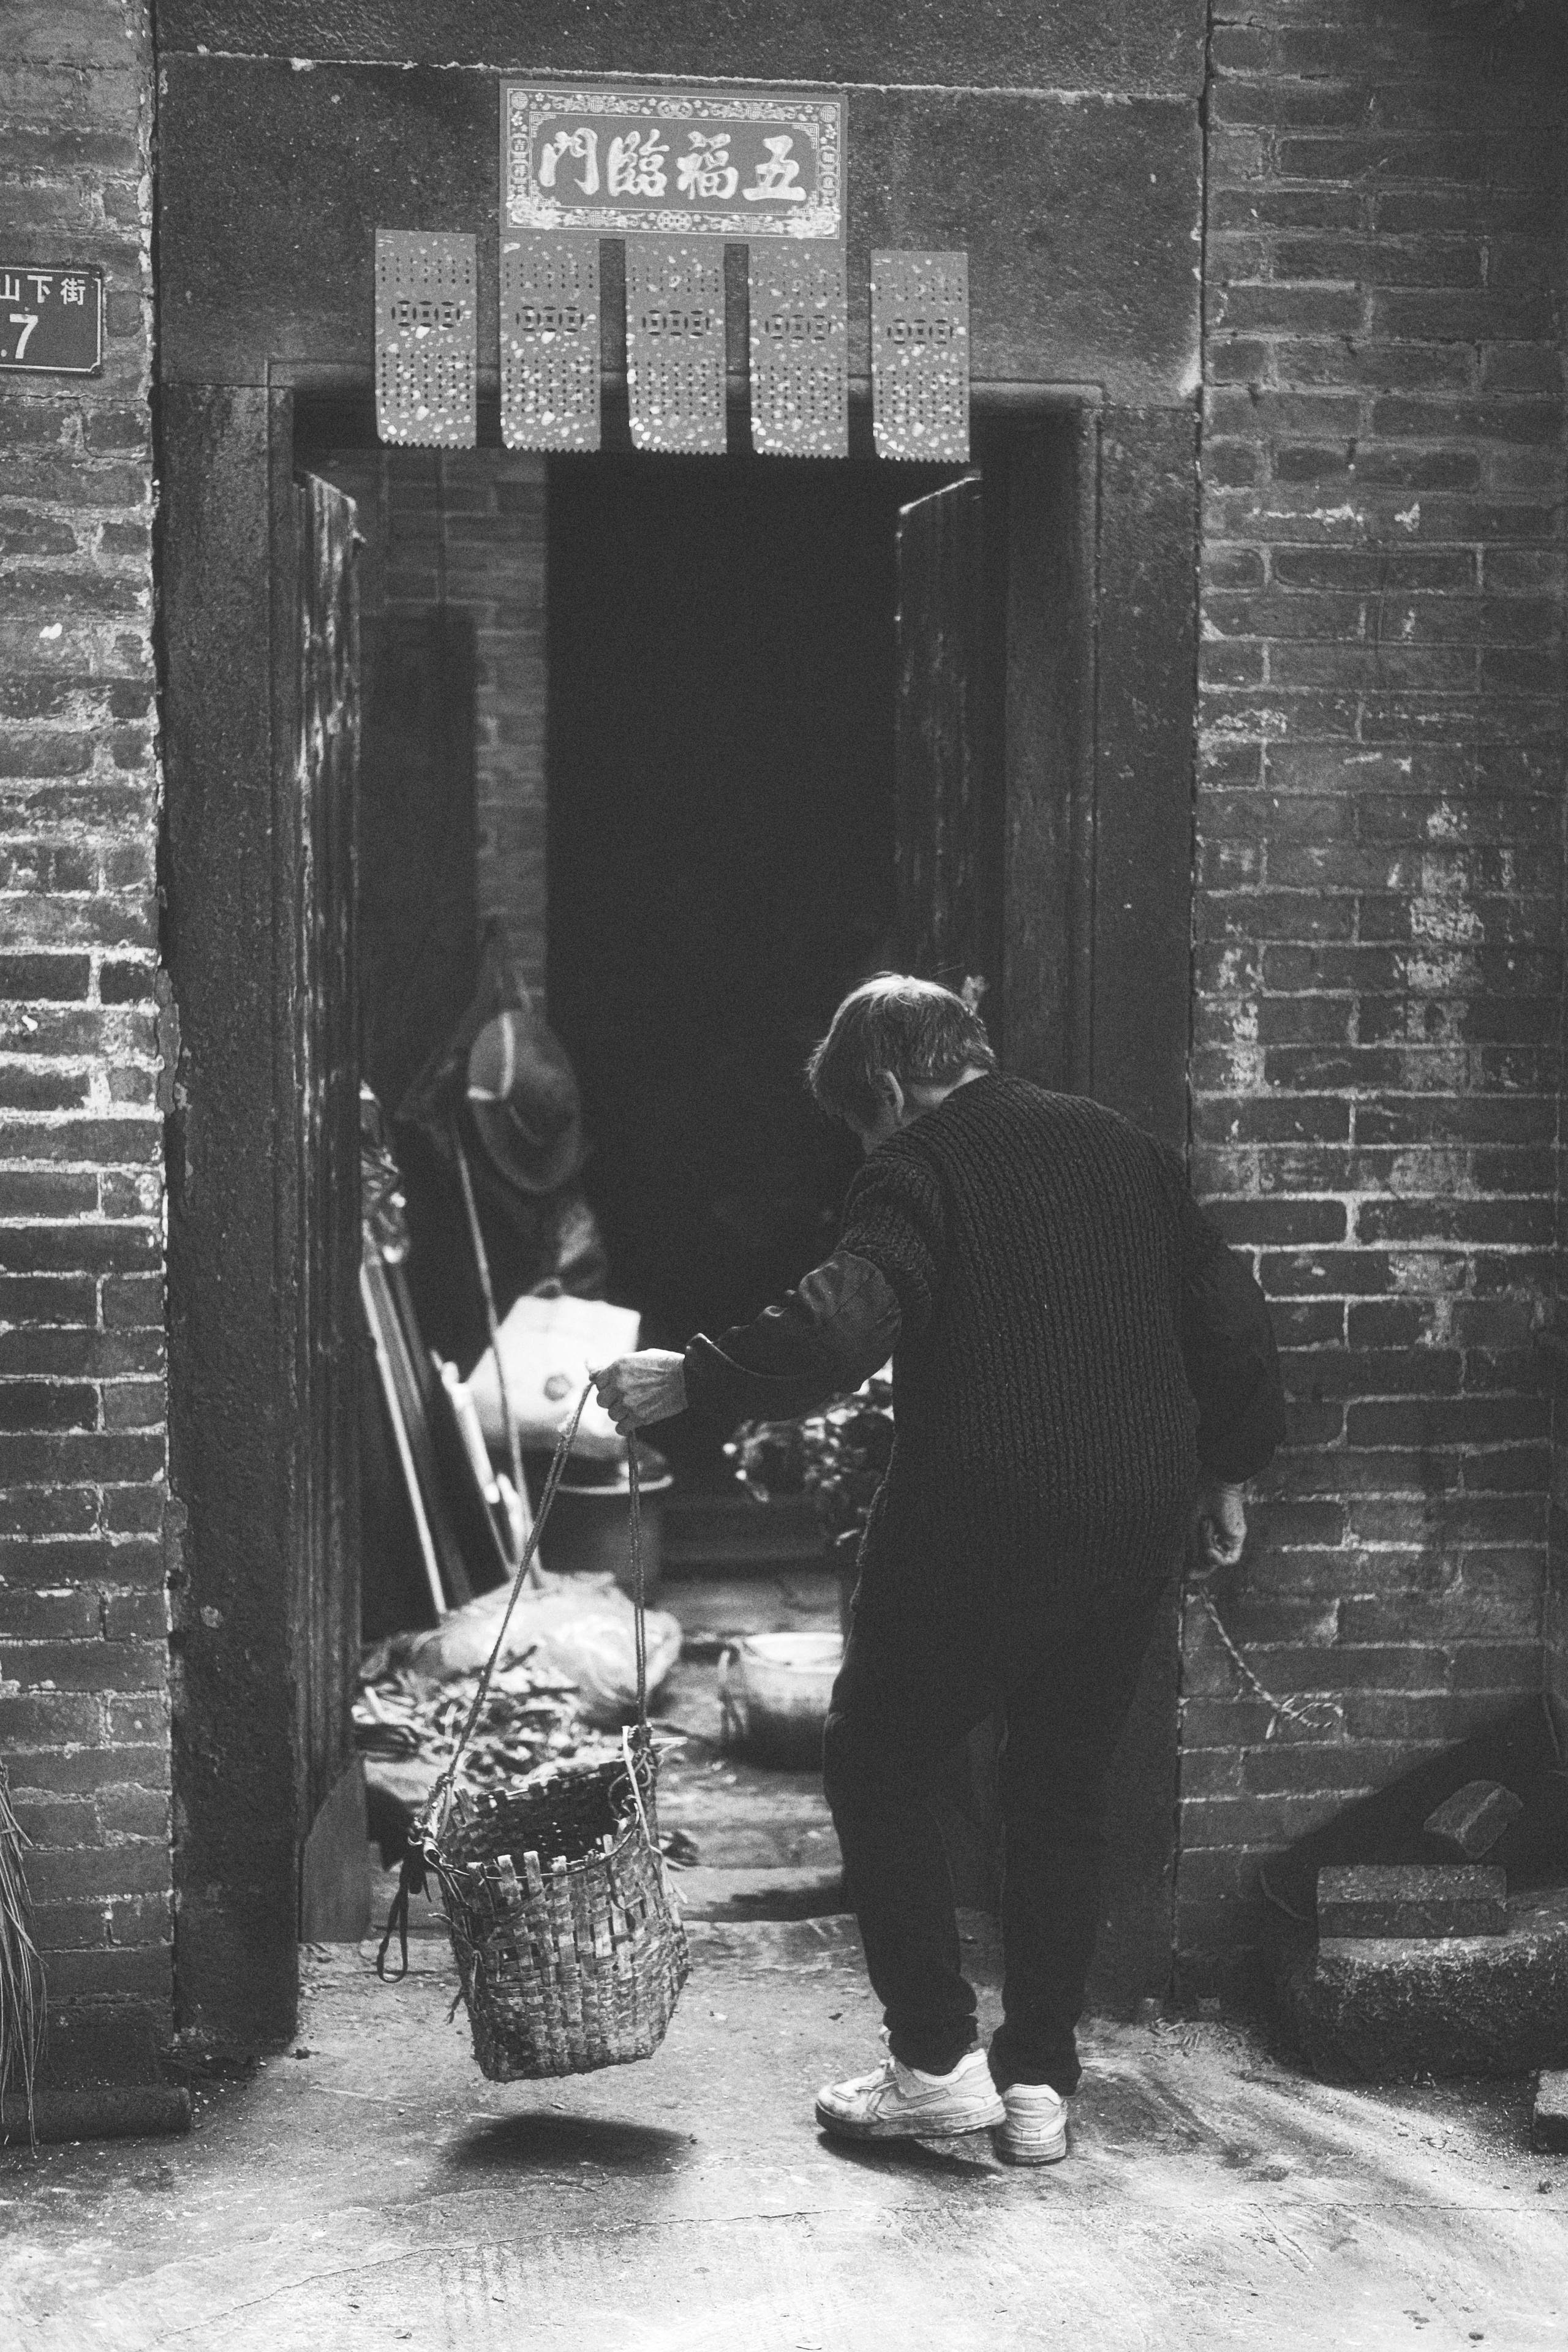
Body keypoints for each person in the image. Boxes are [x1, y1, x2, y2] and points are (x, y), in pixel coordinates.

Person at [593, 976, 1284, 2164]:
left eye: (859, 1124)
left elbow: (840, 1326)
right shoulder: (1121, 1147)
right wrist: (1227, 1469)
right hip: (1131, 1519)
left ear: (883, 1085)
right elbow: (1228, 1315)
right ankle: (1038, 2086)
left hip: (982, 1519)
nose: (866, 1147)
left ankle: (931, 2066)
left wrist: (691, 1377)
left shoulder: (918, 1164)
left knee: (878, 1757)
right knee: (1061, 1789)